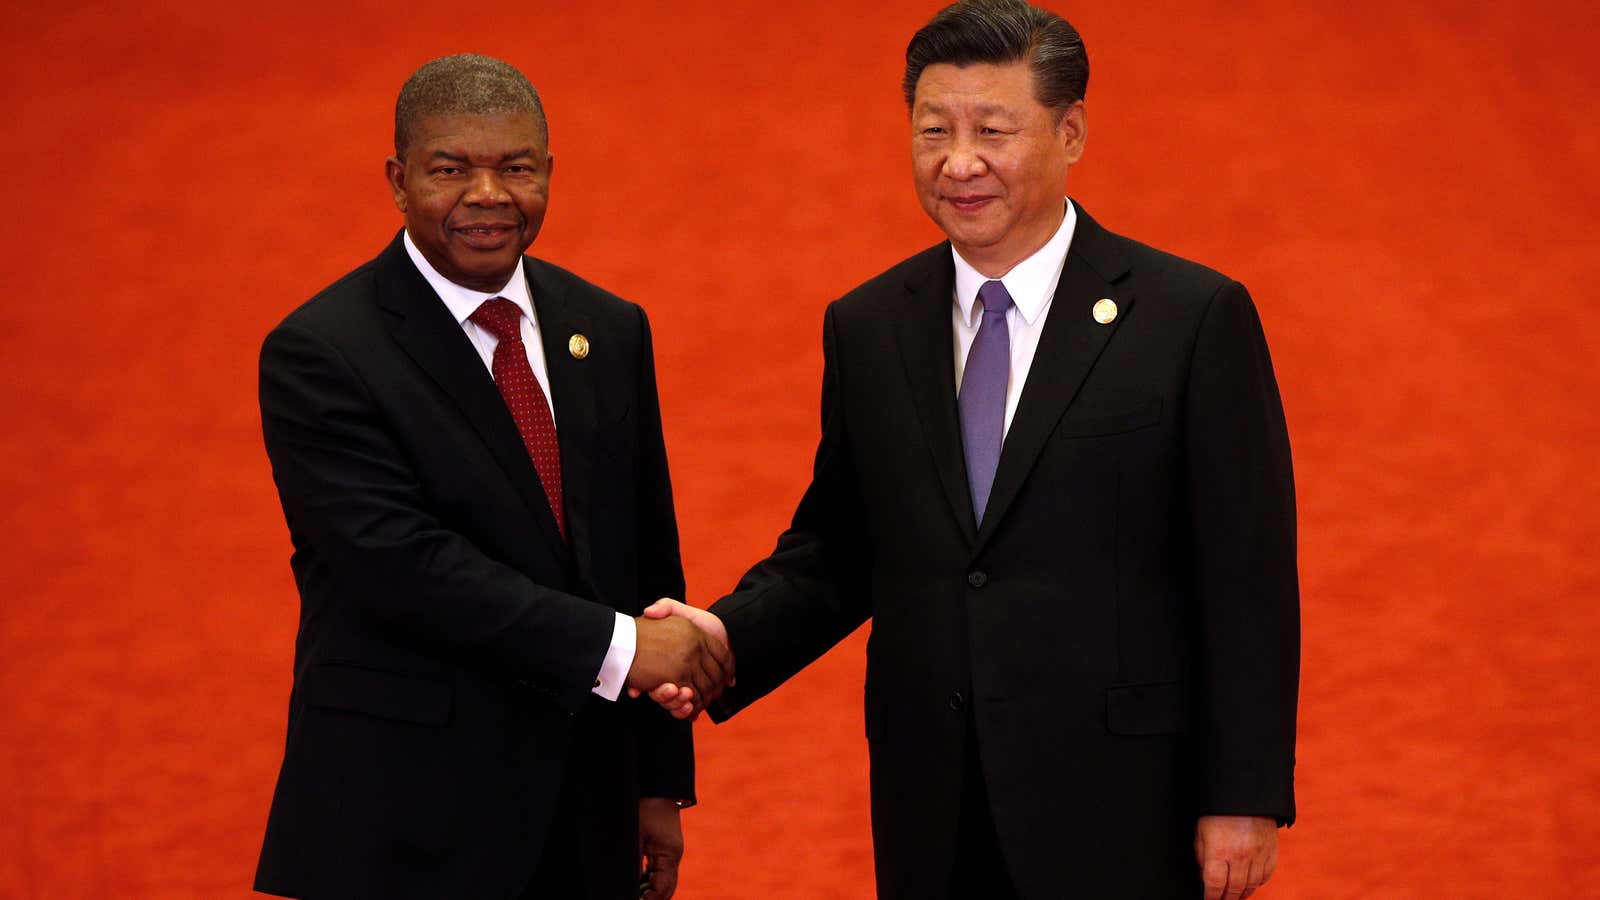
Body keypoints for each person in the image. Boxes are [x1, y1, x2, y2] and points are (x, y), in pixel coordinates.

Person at [643, 2, 1299, 897]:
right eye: (933, 130)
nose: (958, 164)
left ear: (1070, 133)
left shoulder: (1189, 318)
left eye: (992, 130)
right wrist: (724, 636)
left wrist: (1243, 796)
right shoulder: (871, 325)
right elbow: (843, 547)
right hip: (934, 801)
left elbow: (1246, 578)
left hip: (1123, 802)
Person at [252, 53, 731, 900]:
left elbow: (645, 560)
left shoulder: (607, 328)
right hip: (404, 817)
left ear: (548, 172)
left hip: (583, 811)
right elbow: (400, 565)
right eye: (450, 169)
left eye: (515, 168)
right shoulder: (323, 353)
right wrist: (622, 648)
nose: (487, 195)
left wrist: (658, 782)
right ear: (398, 181)